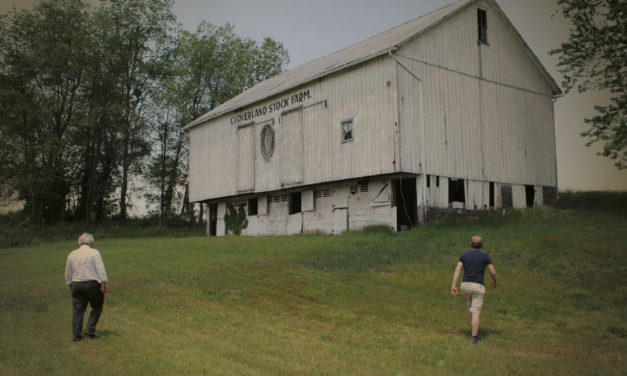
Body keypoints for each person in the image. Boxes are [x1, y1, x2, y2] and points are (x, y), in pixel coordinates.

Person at [450, 235, 497, 345]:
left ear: (470, 243)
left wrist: (454, 285)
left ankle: (473, 330)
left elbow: (458, 269)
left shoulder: (464, 255)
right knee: (475, 312)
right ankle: (475, 338)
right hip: (478, 286)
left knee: (470, 307)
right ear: (481, 245)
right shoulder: (485, 256)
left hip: (465, 285)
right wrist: (495, 281)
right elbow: (493, 272)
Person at [65, 233, 109, 342]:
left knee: (78, 310)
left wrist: (70, 283)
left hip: (76, 284)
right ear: (91, 242)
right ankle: (90, 328)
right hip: (91, 284)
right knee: (97, 305)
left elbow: (68, 272)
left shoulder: (72, 254)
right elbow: (100, 269)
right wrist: (105, 284)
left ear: (79, 242)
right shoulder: (94, 253)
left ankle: (76, 336)